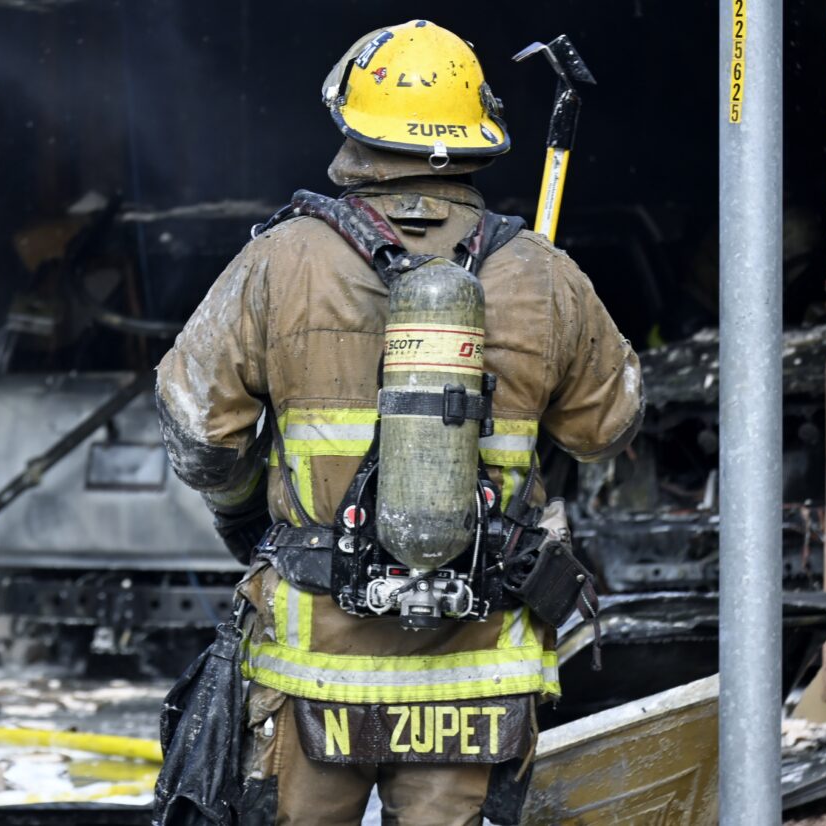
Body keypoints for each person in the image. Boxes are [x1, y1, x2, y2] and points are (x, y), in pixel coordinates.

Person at [156, 19, 643, 826]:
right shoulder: (542, 273)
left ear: (355, 125)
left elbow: (199, 433)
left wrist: (247, 518)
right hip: (478, 674)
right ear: (476, 132)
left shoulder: (280, 261)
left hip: (316, 662)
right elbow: (607, 428)